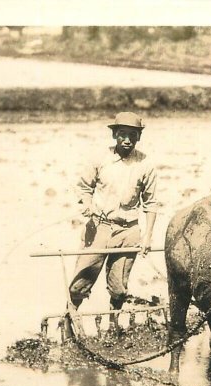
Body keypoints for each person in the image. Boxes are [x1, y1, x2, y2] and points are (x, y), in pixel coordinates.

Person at [68, 111, 158, 313]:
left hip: (129, 232)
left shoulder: (146, 164)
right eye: (122, 134)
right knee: (81, 282)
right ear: (114, 135)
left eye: (132, 135)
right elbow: (83, 187)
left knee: (119, 287)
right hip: (100, 227)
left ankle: (113, 324)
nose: (127, 140)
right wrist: (87, 204)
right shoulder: (99, 159)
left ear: (139, 137)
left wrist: (147, 237)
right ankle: (71, 318)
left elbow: (150, 203)